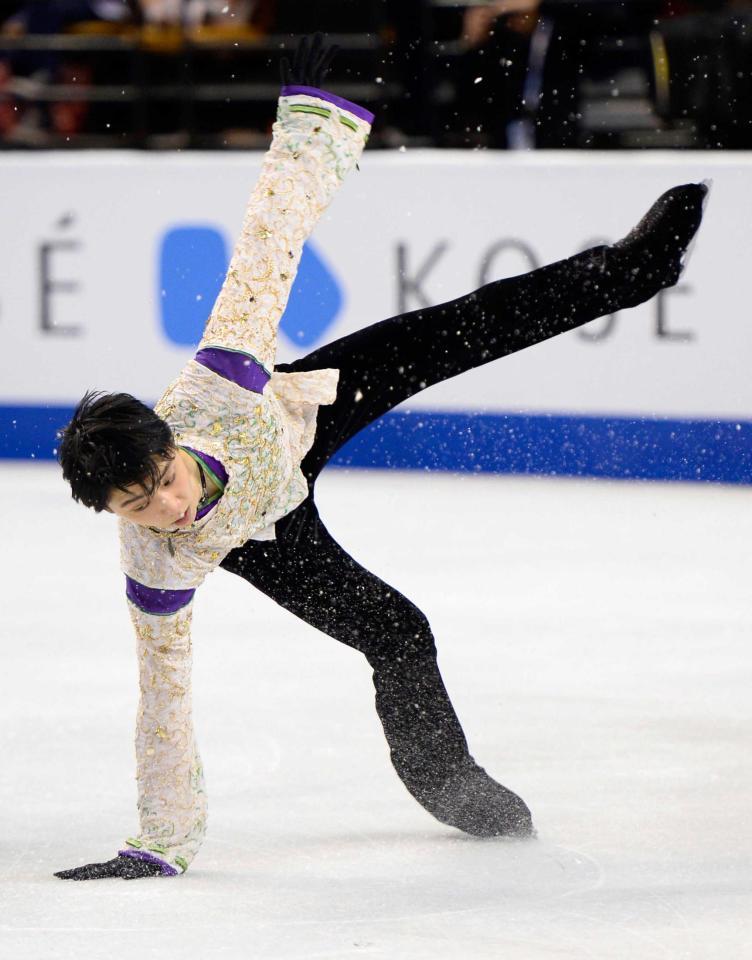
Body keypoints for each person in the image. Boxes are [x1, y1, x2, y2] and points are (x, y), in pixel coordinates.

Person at [54, 33, 708, 880]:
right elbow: (164, 708)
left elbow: (270, 242)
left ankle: (631, 271)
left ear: (174, 443)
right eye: (140, 509)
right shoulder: (158, 562)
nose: (171, 510)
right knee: (400, 632)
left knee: (455, 330)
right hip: (269, 535)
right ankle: (447, 780)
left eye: (166, 483)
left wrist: (307, 124)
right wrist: (160, 842)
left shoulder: (219, 380)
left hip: (296, 417)